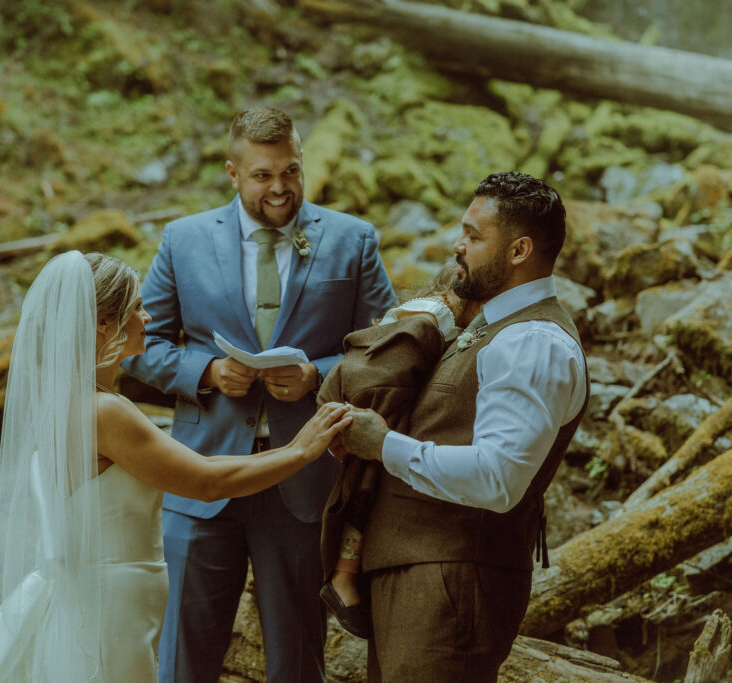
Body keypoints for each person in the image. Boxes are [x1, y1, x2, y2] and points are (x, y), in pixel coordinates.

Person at [0, 251, 352, 683]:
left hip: (107, 596)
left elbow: (196, 464)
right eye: (137, 306)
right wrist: (302, 452)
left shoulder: (72, 401)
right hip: (108, 608)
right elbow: (206, 482)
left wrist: (293, 448)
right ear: (103, 322)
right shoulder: (103, 412)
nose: (148, 316)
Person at [122, 106, 396, 683]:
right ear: (232, 172)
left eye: (290, 172)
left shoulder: (352, 239)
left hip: (302, 483)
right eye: (263, 175)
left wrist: (317, 375)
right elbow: (139, 344)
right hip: (201, 473)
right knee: (183, 657)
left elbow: (387, 351)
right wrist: (206, 371)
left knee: (297, 659)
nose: (279, 189)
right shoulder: (183, 239)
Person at [335, 171, 590, 681]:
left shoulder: (533, 343)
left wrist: (383, 445)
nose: (458, 246)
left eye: (474, 236)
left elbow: (496, 479)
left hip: (451, 585)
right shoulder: (491, 323)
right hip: (423, 580)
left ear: (519, 251)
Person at [316, 264, 482, 639]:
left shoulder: (427, 313)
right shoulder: (432, 315)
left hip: (381, 409)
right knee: (365, 490)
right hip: (378, 409)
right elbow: (387, 368)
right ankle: (343, 575)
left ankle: (347, 575)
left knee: (368, 488)